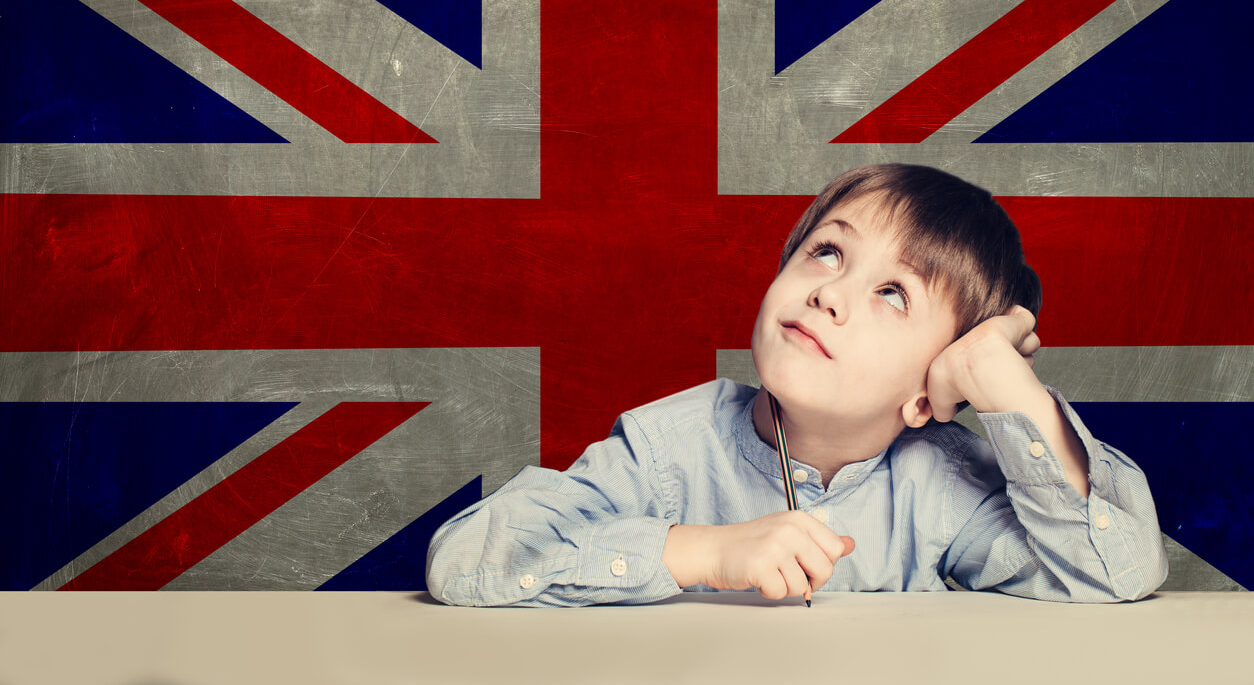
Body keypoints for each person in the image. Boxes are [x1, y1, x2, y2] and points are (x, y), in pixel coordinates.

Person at [426, 163, 1168, 606]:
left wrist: (1012, 390)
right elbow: (465, 561)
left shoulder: (940, 488)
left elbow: (1118, 573)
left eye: (892, 293)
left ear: (927, 394)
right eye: (826, 252)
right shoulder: (669, 449)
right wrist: (703, 552)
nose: (831, 293)